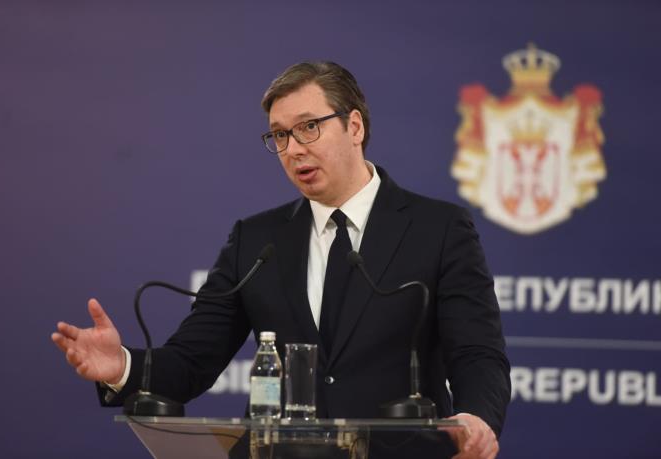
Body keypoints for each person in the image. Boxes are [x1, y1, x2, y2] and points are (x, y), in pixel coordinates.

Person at [52, 61, 510, 459]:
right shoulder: (256, 240)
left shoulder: (438, 228)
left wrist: (475, 418)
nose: (293, 149)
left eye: (309, 127)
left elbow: (477, 352)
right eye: (280, 135)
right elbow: (192, 360)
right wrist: (122, 367)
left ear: (354, 127)